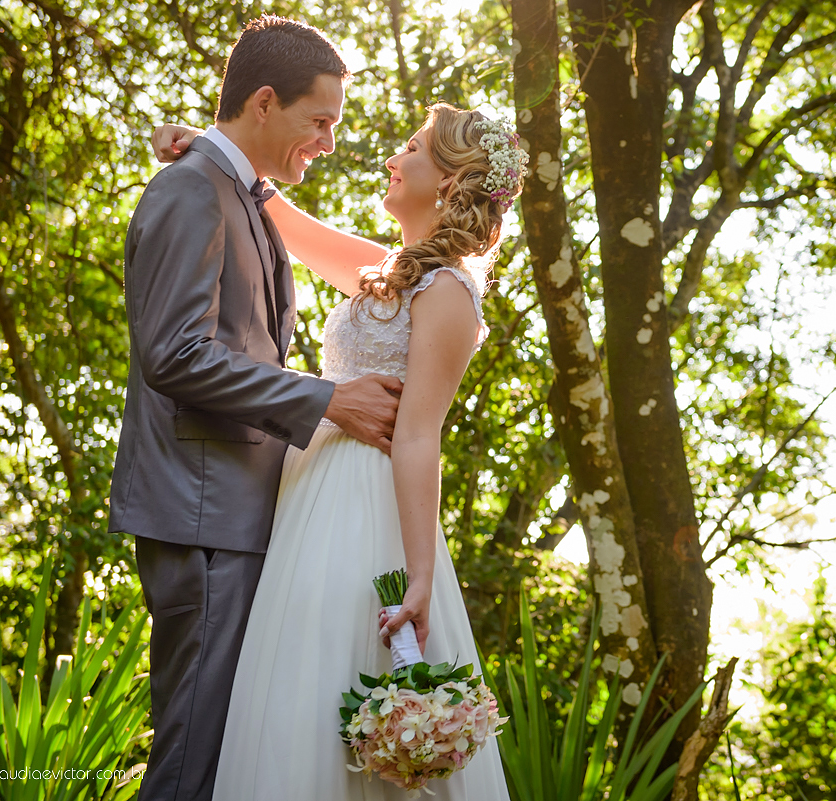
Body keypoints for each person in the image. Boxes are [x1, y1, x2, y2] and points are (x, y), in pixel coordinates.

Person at [153, 99, 525, 799]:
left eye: (411, 147)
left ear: (447, 181)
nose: (393, 157)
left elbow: (418, 434)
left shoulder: (449, 292)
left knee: (335, 666)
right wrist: (203, 145)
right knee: (287, 678)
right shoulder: (389, 270)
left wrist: (420, 576)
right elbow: (282, 221)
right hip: (307, 491)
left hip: (364, 506)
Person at [110, 17, 404, 801]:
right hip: (202, 514)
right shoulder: (190, 190)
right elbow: (174, 354)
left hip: (235, 514)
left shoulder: (237, 194)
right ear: (265, 103)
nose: (330, 142)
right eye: (322, 121)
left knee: (217, 756)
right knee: (190, 757)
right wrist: (327, 399)